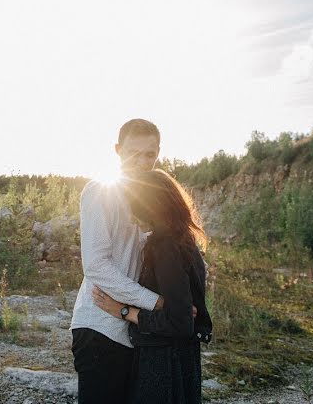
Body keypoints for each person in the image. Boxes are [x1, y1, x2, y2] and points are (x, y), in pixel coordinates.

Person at [92, 169, 213, 404]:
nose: (132, 214)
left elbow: (179, 322)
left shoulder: (166, 245)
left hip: (164, 361)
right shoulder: (184, 239)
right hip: (182, 358)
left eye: (134, 205)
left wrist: (124, 311)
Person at [69, 119, 168, 403]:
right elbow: (96, 266)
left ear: (158, 153)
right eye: (133, 153)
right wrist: (157, 303)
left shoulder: (149, 198)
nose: (141, 161)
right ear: (117, 150)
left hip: (132, 327)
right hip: (99, 326)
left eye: (149, 154)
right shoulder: (101, 191)